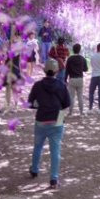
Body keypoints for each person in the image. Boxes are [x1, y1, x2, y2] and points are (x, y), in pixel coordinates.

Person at [27, 60, 71, 189]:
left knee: (37, 147)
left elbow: (31, 103)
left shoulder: (37, 85)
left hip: (41, 120)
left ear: (44, 71)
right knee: (55, 151)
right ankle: (54, 179)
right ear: (57, 71)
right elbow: (66, 103)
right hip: (56, 121)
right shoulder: (62, 85)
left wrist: (40, 105)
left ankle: (34, 170)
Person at [65, 43, 89, 116]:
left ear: (73, 50)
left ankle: (70, 112)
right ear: (79, 50)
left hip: (72, 79)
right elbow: (86, 69)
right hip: (80, 79)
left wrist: (65, 79)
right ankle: (81, 112)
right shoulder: (82, 58)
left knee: (71, 97)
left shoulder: (70, 58)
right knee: (80, 96)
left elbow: (67, 70)